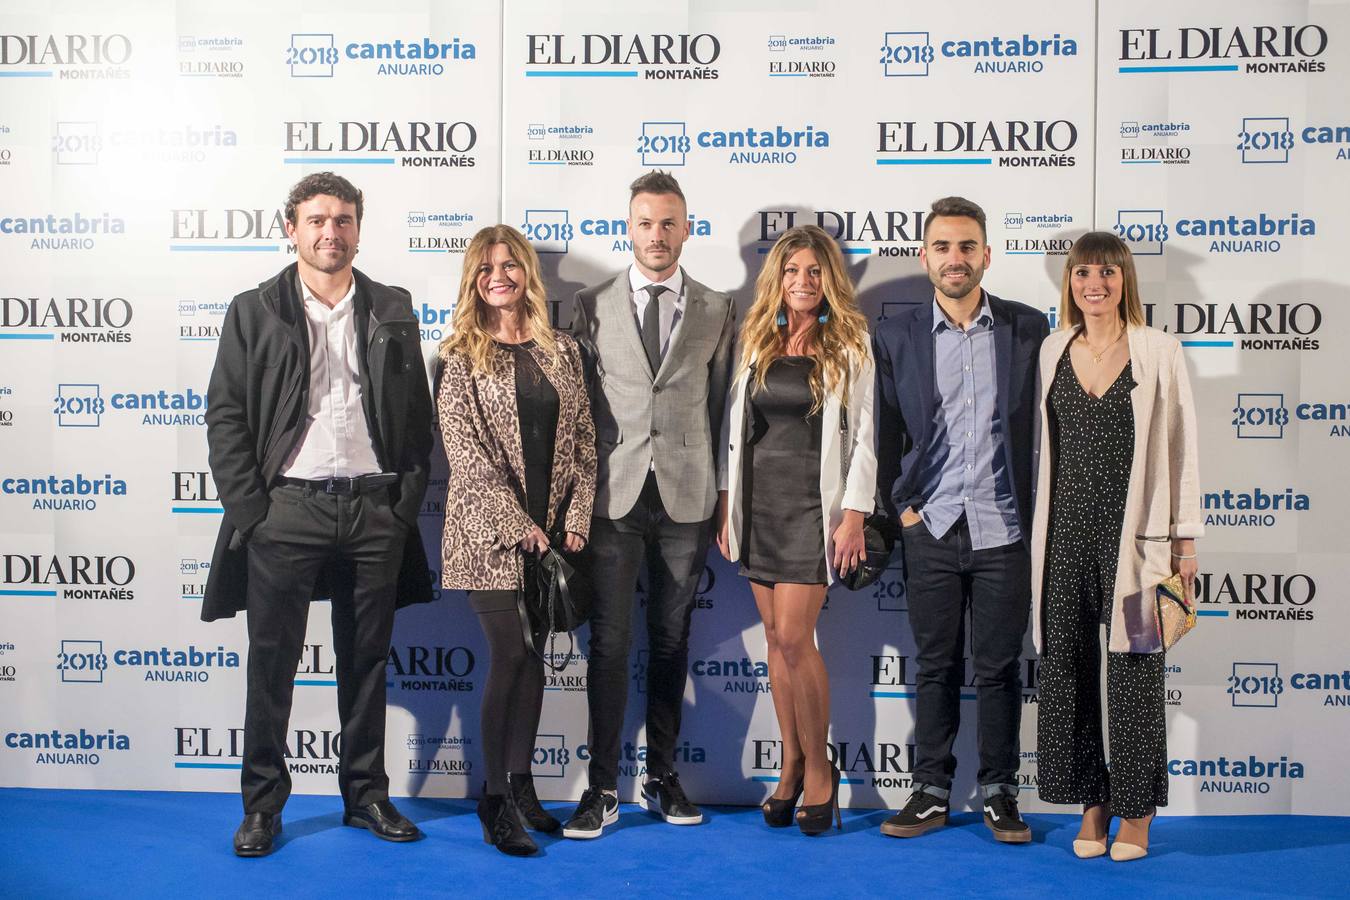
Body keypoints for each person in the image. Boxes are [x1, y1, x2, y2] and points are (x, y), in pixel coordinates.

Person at [203, 172, 434, 857]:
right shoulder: (254, 310)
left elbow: (415, 416)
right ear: (292, 229)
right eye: (316, 220)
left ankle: (365, 796)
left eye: (342, 219)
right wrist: (255, 511)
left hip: (372, 510)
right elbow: (225, 416)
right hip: (288, 511)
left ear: (358, 229)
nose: (329, 231)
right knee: (272, 666)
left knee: (366, 662)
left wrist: (402, 503)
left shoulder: (393, 305)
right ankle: (263, 807)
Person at [564, 171, 736, 839]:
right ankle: (602, 787)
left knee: (671, 641)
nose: (657, 235)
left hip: (689, 496)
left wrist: (725, 497)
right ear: (628, 228)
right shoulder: (592, 302)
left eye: (669, 223)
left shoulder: (719, 309)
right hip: (613, 493)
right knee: (608, 643)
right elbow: (579, 411)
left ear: (687, 228)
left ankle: (662, 777)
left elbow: (723, 411)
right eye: (645, 223)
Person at [873, 196, 1048, 843]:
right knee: (937, 664)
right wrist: (907, 512)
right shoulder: (897, 336)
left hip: (1005, 528)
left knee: (1000, 667)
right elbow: (883, 433)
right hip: (934, 529)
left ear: (987, 255)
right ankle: (931, 790)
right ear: (925, 256)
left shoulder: (1027, 330)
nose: (955, 258)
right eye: (943, 247)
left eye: (967, 246)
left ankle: (1002, 792)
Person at [1031, 231, 1201, 861]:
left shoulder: (1158, 350)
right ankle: (1091, 802)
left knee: (1134, 669)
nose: (1093, 284)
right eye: (1081, 273)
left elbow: (1181, 447)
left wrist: (1185, 545)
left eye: (1106, 272)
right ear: (1069, 283)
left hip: (1140, 540)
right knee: (1066, 667)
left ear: (1125, 279)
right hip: (1066, 536)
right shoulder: (1053, 349)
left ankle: (1136, 810)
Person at [437, 225, 596, 856]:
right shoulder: (459, 355)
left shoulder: (562, 350)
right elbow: (467, 457)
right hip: (487, 536)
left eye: (508, 264)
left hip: (552, 536)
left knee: (533, 660)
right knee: (511, 652)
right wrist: (517, 526)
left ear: (527, 270)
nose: (498, 276)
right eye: (485, 268)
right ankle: (495, 799)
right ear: (473, 280)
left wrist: (575, 518)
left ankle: (525, 786)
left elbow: (584, 440)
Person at [715, 225, 875, 834]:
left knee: (795, 639)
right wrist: (728, 506)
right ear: (776, 279)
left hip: (815, 508)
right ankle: (789, 763)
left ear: (829, 279)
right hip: (758, 506)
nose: (802, 283)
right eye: (791, 272)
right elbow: (736, 433)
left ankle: (820, 773)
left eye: (813, 272)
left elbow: (865, 436)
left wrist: (855, 511)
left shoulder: (849, 341)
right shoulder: (756, 336)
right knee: (775, 644)